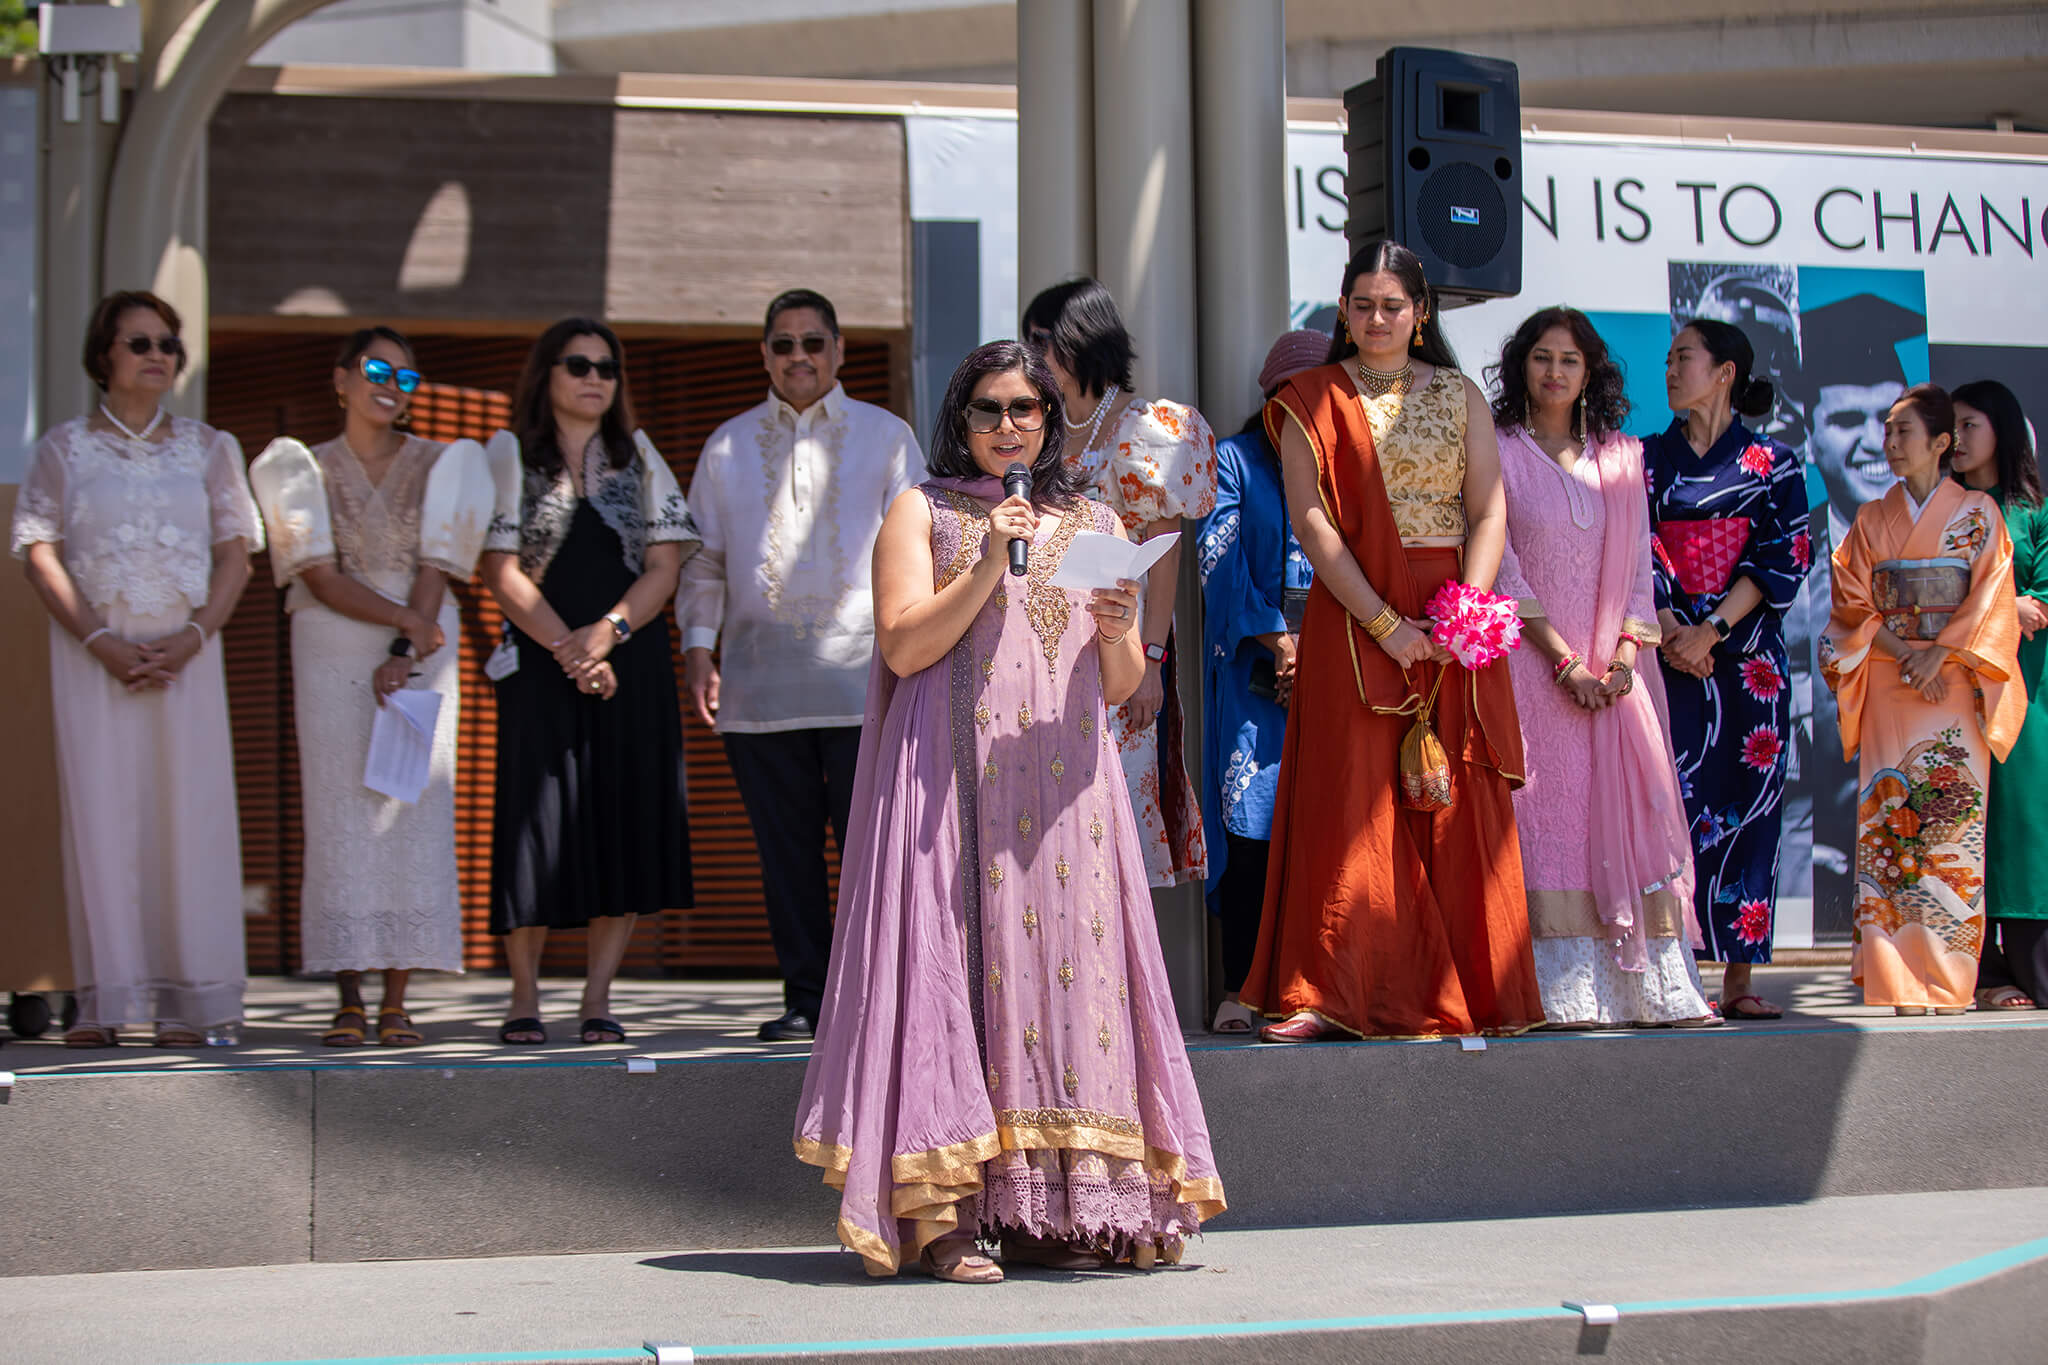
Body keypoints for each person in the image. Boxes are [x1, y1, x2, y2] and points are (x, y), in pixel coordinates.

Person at [794, 340, 1224, 1282]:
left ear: (1048, 419)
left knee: (1064, 985)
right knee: (952, 976)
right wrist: (991, 558)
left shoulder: (1096, 519)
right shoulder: (922, 510)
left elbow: (1113, 687)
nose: (1007, 426)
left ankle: (1049, 1211)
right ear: (962, 418)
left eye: (1024, 409)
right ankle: (944, 1218)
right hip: (952, 785)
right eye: (987, 410)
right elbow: (906, 648)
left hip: (1066, 796)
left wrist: (1122, 636)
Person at [1240, 241, 1543, 1042]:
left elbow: (1487, 511)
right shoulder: (1310, 397)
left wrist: (1463, 615)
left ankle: (1476, 986)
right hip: (1352, 614)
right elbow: (1312, 520)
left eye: (1393, 305)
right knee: (1351, 796)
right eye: (1363, 304)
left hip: (1451, 616)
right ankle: (1332, 990)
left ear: (1422, 313)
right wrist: (1385, 624)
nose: (1377, 319)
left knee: (1451, 795)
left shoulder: (1459, 395)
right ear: (1343, 311)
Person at [11, 289, 263, 1048]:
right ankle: (107, 1001)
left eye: (168, 345)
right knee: (105, 818)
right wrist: (99, 641)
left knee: (188, 820)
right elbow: (37, 550)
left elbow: (237, 553)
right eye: (140, 343)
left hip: (186, 661)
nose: (159, 356)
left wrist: (194, 635)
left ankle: (191, 1001)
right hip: (96, 661)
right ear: (103, 357)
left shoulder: (211, 447)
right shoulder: (63, 448)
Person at [678, 289, 920, 1042]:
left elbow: (919, 552)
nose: (799, 357)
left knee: (873, 855)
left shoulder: (886, 437)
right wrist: (696, 647)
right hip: (758, 689)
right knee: (785, 859)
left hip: (867, 687)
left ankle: (876, 1003)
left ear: (840, 351)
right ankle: (808, 999)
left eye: (813, 342)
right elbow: (703, 562)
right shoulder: (725, 445)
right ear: (764, 355)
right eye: (783, 345)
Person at [248, 327, 494, 1047]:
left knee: (409, 805)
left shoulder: (446, 461)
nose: (392, 384)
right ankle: (347, 990)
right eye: (377, 369)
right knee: (338, 810)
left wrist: (408, 641)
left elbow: (439, 561)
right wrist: (405, 625)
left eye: (407, 377)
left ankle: (398, 994)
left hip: (417, 640)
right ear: (341, 379)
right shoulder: (301, 466)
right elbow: (317, 574)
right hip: (329, 636)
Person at [1488, 308, 1715, 1028]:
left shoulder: (1622, 457)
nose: (1554, 372)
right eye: (1542, 357)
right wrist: (1565, 665)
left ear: (1591, 374)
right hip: (1533, 672)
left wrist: (1619, 658)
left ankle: (1644, 987)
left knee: (1625, 815)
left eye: (1570, 361)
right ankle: (1555, 990)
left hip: (1619, 680)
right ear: (1522, 365)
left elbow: (1642, 572)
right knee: (1547, 821)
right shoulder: (1496, 448)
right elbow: (1504, 568)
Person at [481, 319, 698, 1046]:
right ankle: (522, 997)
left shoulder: (639, 456)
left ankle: (598, 997)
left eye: (607, 366)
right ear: (546, 373)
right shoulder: (509, 454)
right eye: (577, 364)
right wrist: (567, 650)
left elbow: (665, 565)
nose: (594, 377)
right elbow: (498, 569)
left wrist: (604, 637)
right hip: (542, 667)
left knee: (624, 825)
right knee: (530, 827)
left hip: (629, 663)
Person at [1821, 384, 2023, 1014]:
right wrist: (1911, 653)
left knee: (1949, 829)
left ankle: (1947, 977)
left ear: (1941, 443)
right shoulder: (1871, 519)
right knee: (1890, 827)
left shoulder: (1980, 514)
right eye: (1887, 430)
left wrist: (1940, 652)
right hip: (1890, 679)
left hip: (1953, 686)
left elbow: (1991, 597)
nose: (1889, 442)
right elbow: (1852, 600)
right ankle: (1895, 977)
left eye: (1902, 430)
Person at [1022, 279, 1216, 890]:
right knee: (1046, 825)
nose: (1029, 356)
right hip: (1038, 645)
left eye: (1041, 341)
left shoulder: (1148, 428)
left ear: (1081, 341)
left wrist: (1153, 660)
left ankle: (1122, 979)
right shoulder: (1035, 426)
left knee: (1114, 816)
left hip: (1120, 639)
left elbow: (1164, 560)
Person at [1646, 319, 1812, 1020]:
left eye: (1685, 357)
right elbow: (1634, 550)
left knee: (1752, 808)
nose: (1671, 369)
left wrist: (1712, 629)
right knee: (1668, 807)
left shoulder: (1776, 462)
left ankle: (1740, 977)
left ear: (1725, 373)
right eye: (1669, 358)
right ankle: (1675, 970)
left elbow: (1784, 560)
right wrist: (1672, 626)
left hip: (1747, 666)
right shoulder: (1645, 458)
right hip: (1667, 647)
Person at [1194, 328, 1324, 1035]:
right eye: (1292, 395)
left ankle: (1315, 984)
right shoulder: (1235, 460)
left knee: (1326, 830)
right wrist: (1278, 637)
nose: (1305, 409)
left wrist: (1323, 649)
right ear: (1271, 398)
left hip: (1339, 671)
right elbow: (1215, 554)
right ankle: (1243, 984)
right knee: (1251, 829)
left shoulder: (1350, 465)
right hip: (1255, 676)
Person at [1948, 380, 2046, 1009]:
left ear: (2002, 429)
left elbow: (2042, 600)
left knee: (2024, 825)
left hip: (2025, 692)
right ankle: (1983, 974)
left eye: (1969, 424)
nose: (1955, 438)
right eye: (1948, 426)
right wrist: (2002, 607)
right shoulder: (1940, 512)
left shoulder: (2032, 512)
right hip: (1951, 691)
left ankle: (2033, 965)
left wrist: (2020, 607)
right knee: (1962, 821)